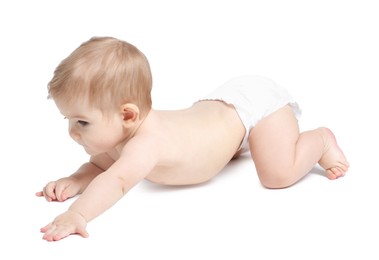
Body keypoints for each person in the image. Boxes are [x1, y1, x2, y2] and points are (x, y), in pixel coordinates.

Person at [36, 36, 349, 242]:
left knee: (277, 174)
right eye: (69, 120)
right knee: (219, 141)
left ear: (128, 115)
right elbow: (101, 166)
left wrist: (78, 213)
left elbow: (116, 180)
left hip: (254, 106)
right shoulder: (120, 135)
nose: (73, 132)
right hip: (219, 113)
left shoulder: (146, 143)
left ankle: (320, 141)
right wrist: (76, 179)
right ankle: (235, 145)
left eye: (82, 122)